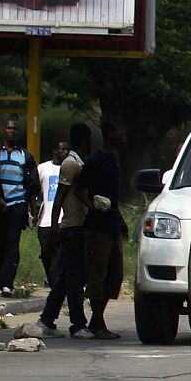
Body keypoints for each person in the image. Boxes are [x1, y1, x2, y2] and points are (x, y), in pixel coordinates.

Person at [36, 124, 91, 337]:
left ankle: (46, 320)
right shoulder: (70, 165)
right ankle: (77, 324)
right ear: (85, 139)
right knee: (74, 279)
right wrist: (54, 228)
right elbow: (59, 197)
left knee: (64, 278)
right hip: (71, 227)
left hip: (76, 226)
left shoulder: (77, 162)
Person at [76, 118, 126, 338]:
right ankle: (98, 323)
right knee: (98, 274)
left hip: (113, 223)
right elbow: (79, 190)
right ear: (108, 133)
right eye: (118, 131)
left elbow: (114, 196)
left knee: (114, 274)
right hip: (97, 227)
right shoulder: (94, 160)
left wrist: (121, 219)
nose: (122, 135)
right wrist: (92, 206)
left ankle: (97, 320)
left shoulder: (114, 158)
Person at [0, 115, 40, 295]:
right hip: (0, 205)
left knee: (12, 244)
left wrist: (32, 209)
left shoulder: (25, 155)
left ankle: (7, 283)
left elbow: (32, 185)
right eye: (9, 128)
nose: (12, 131)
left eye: (15, 129)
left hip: (17, 205)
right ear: (3, 130)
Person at [35, 139, 68, 285]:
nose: (65, 152)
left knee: (60, 254)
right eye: (63, 150)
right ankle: (51, 278)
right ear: (55, 151)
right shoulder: (43, 168)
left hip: (63, 220)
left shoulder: (70, 168)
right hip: (46, 220)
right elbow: (36, 192)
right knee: (46, 253)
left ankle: (56, 284)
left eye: (67, 150)